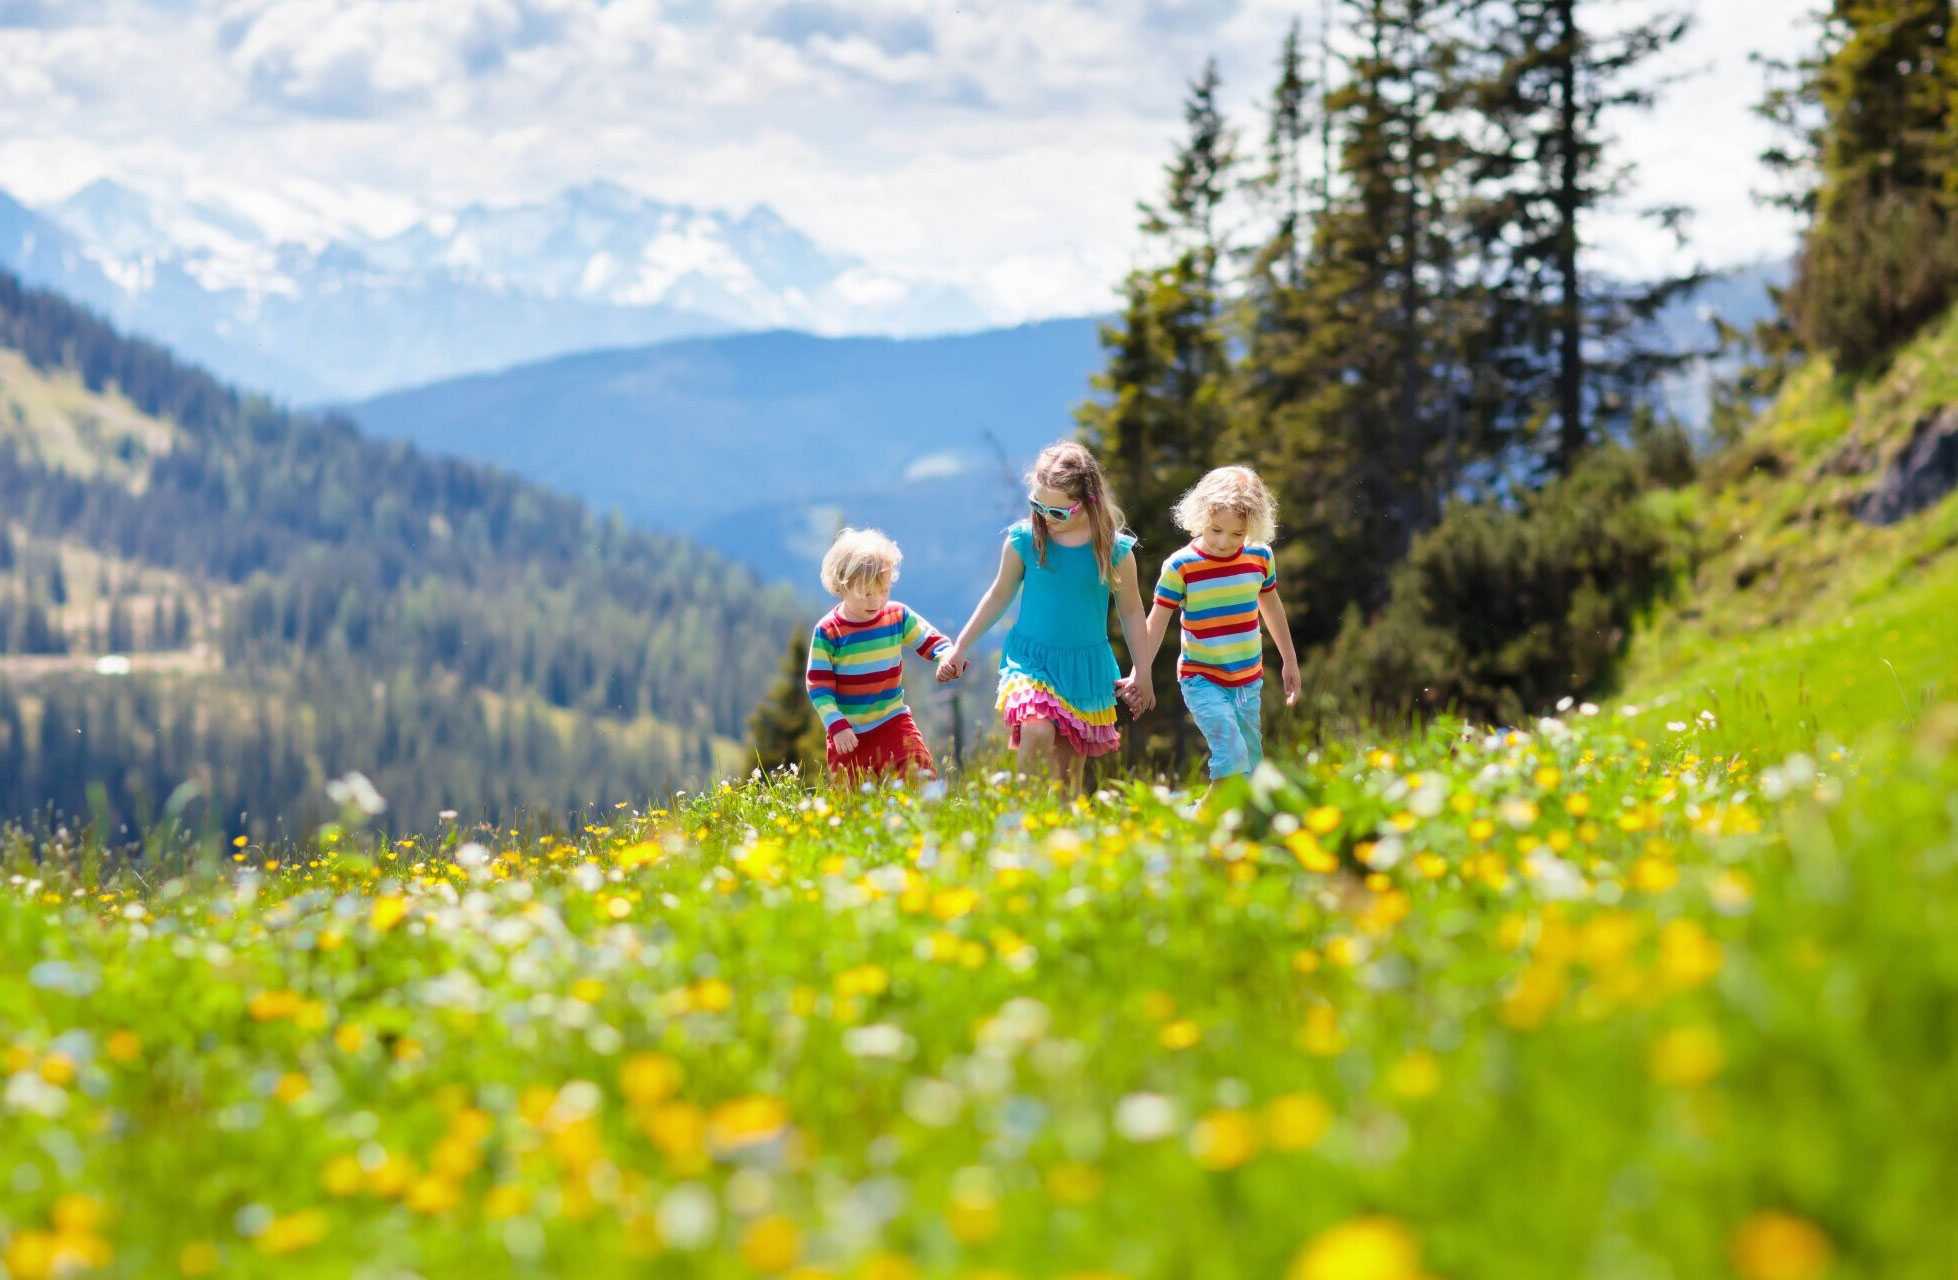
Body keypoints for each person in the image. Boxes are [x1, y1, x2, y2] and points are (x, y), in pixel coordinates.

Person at [937, 441, 1151, 787]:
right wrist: (960, 647)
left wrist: (1143, 670)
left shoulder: (1113, 551)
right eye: (1038, 506)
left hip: (1083, 669)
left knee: (1068, 780)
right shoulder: (1026, 540)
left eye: (1059, 512)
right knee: (1036, 728)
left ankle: (1056, 835)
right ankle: (1023, 816)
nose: (1046, 518)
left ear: (1089, 503)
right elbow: (998, 595)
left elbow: (1130, 610)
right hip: (1031, 659)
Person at [1119, 465, 1300, 784]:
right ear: (1201, 517)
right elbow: (1156, 622)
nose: (1224, 542)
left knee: (1252, 766)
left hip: (1248, 680)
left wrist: (1289, 661)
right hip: (1202, 679)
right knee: (1231, 756)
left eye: (1237, 534)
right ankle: (1204, 823)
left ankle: (1236, 826)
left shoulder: (1259, 556)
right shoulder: (1182, 566)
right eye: (1216, 530)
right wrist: (1140, 673)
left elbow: (1270, 604)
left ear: (1253, 527)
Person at [805, 527, 954, 783]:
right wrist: (835, 723)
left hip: (893, 721)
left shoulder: (896, 616)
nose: (876, 602)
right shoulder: (829, 631)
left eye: (883, 591)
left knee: (920, 775)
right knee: (852, 806)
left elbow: (928, 639)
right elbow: (818, 686)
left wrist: (946, 655)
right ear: (843, 586)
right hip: (848, 734)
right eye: (866, 594)